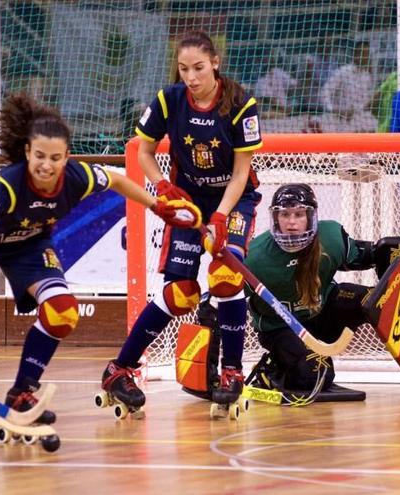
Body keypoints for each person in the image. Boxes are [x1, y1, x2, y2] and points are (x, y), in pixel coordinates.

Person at [0, 93, 189, 432]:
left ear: (67, 156)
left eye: (56, 157)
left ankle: (22, 391)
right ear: (27, 152)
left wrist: (156, 204)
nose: (46, 164)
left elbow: (115, 180)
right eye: (39, 155)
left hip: (28, 246)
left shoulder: (76, 177)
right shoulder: (6, 186)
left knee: (62, 312)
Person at [102, 30, 263, 414]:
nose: (191, 77)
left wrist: (221, 216)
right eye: (183, 68)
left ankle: (232, 372)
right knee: (181, 294)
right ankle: (119, 369)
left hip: (233, 201)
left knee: (225, 278)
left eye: (199, 68)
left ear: (216, 63)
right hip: (187, 203)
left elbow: (242, 172)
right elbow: (143, 152)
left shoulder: (240, 103)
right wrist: (164, 189)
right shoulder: (168, 100)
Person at [242, 184, 400, 397]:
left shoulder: (330, 237)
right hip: (282, 328)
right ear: (275, 217)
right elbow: (225, 300)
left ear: (311, 217)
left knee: (378, 298)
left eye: (299, 214)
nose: (291, 223)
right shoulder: (253, 257)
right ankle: (271, 371)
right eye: (285, 215)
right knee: (315, 377)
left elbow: (367, 255)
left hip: (323, 312)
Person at [320, 41, 375, 122]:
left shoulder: (367, 77)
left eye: (367, 54)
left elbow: (366, 101)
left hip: (359, 122)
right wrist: (332, 109)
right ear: (355, 54)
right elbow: (325, 91)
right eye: (363, 53)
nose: (365, 57)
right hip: (339, 121)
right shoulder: (343, 71)